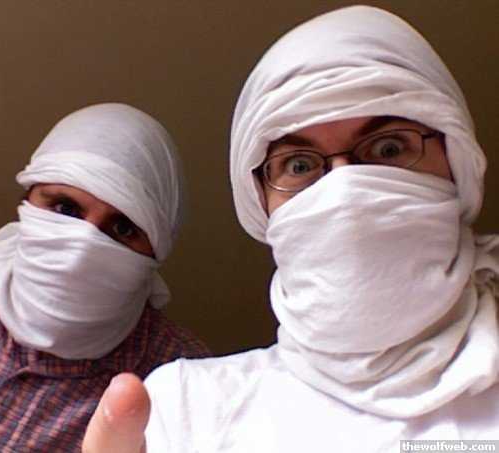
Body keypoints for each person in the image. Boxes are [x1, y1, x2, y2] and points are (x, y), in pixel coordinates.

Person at [82, 6, 499, 453]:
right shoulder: (187, 410)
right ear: (261, 203)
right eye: (299, 165)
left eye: (389, 147)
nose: (344, 188)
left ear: (457, 166)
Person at [0, 103, 209, 451]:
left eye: (123, 228)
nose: (83, 245)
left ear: (155, 251)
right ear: (27, 201)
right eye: (65, 209)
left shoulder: (183, 380)